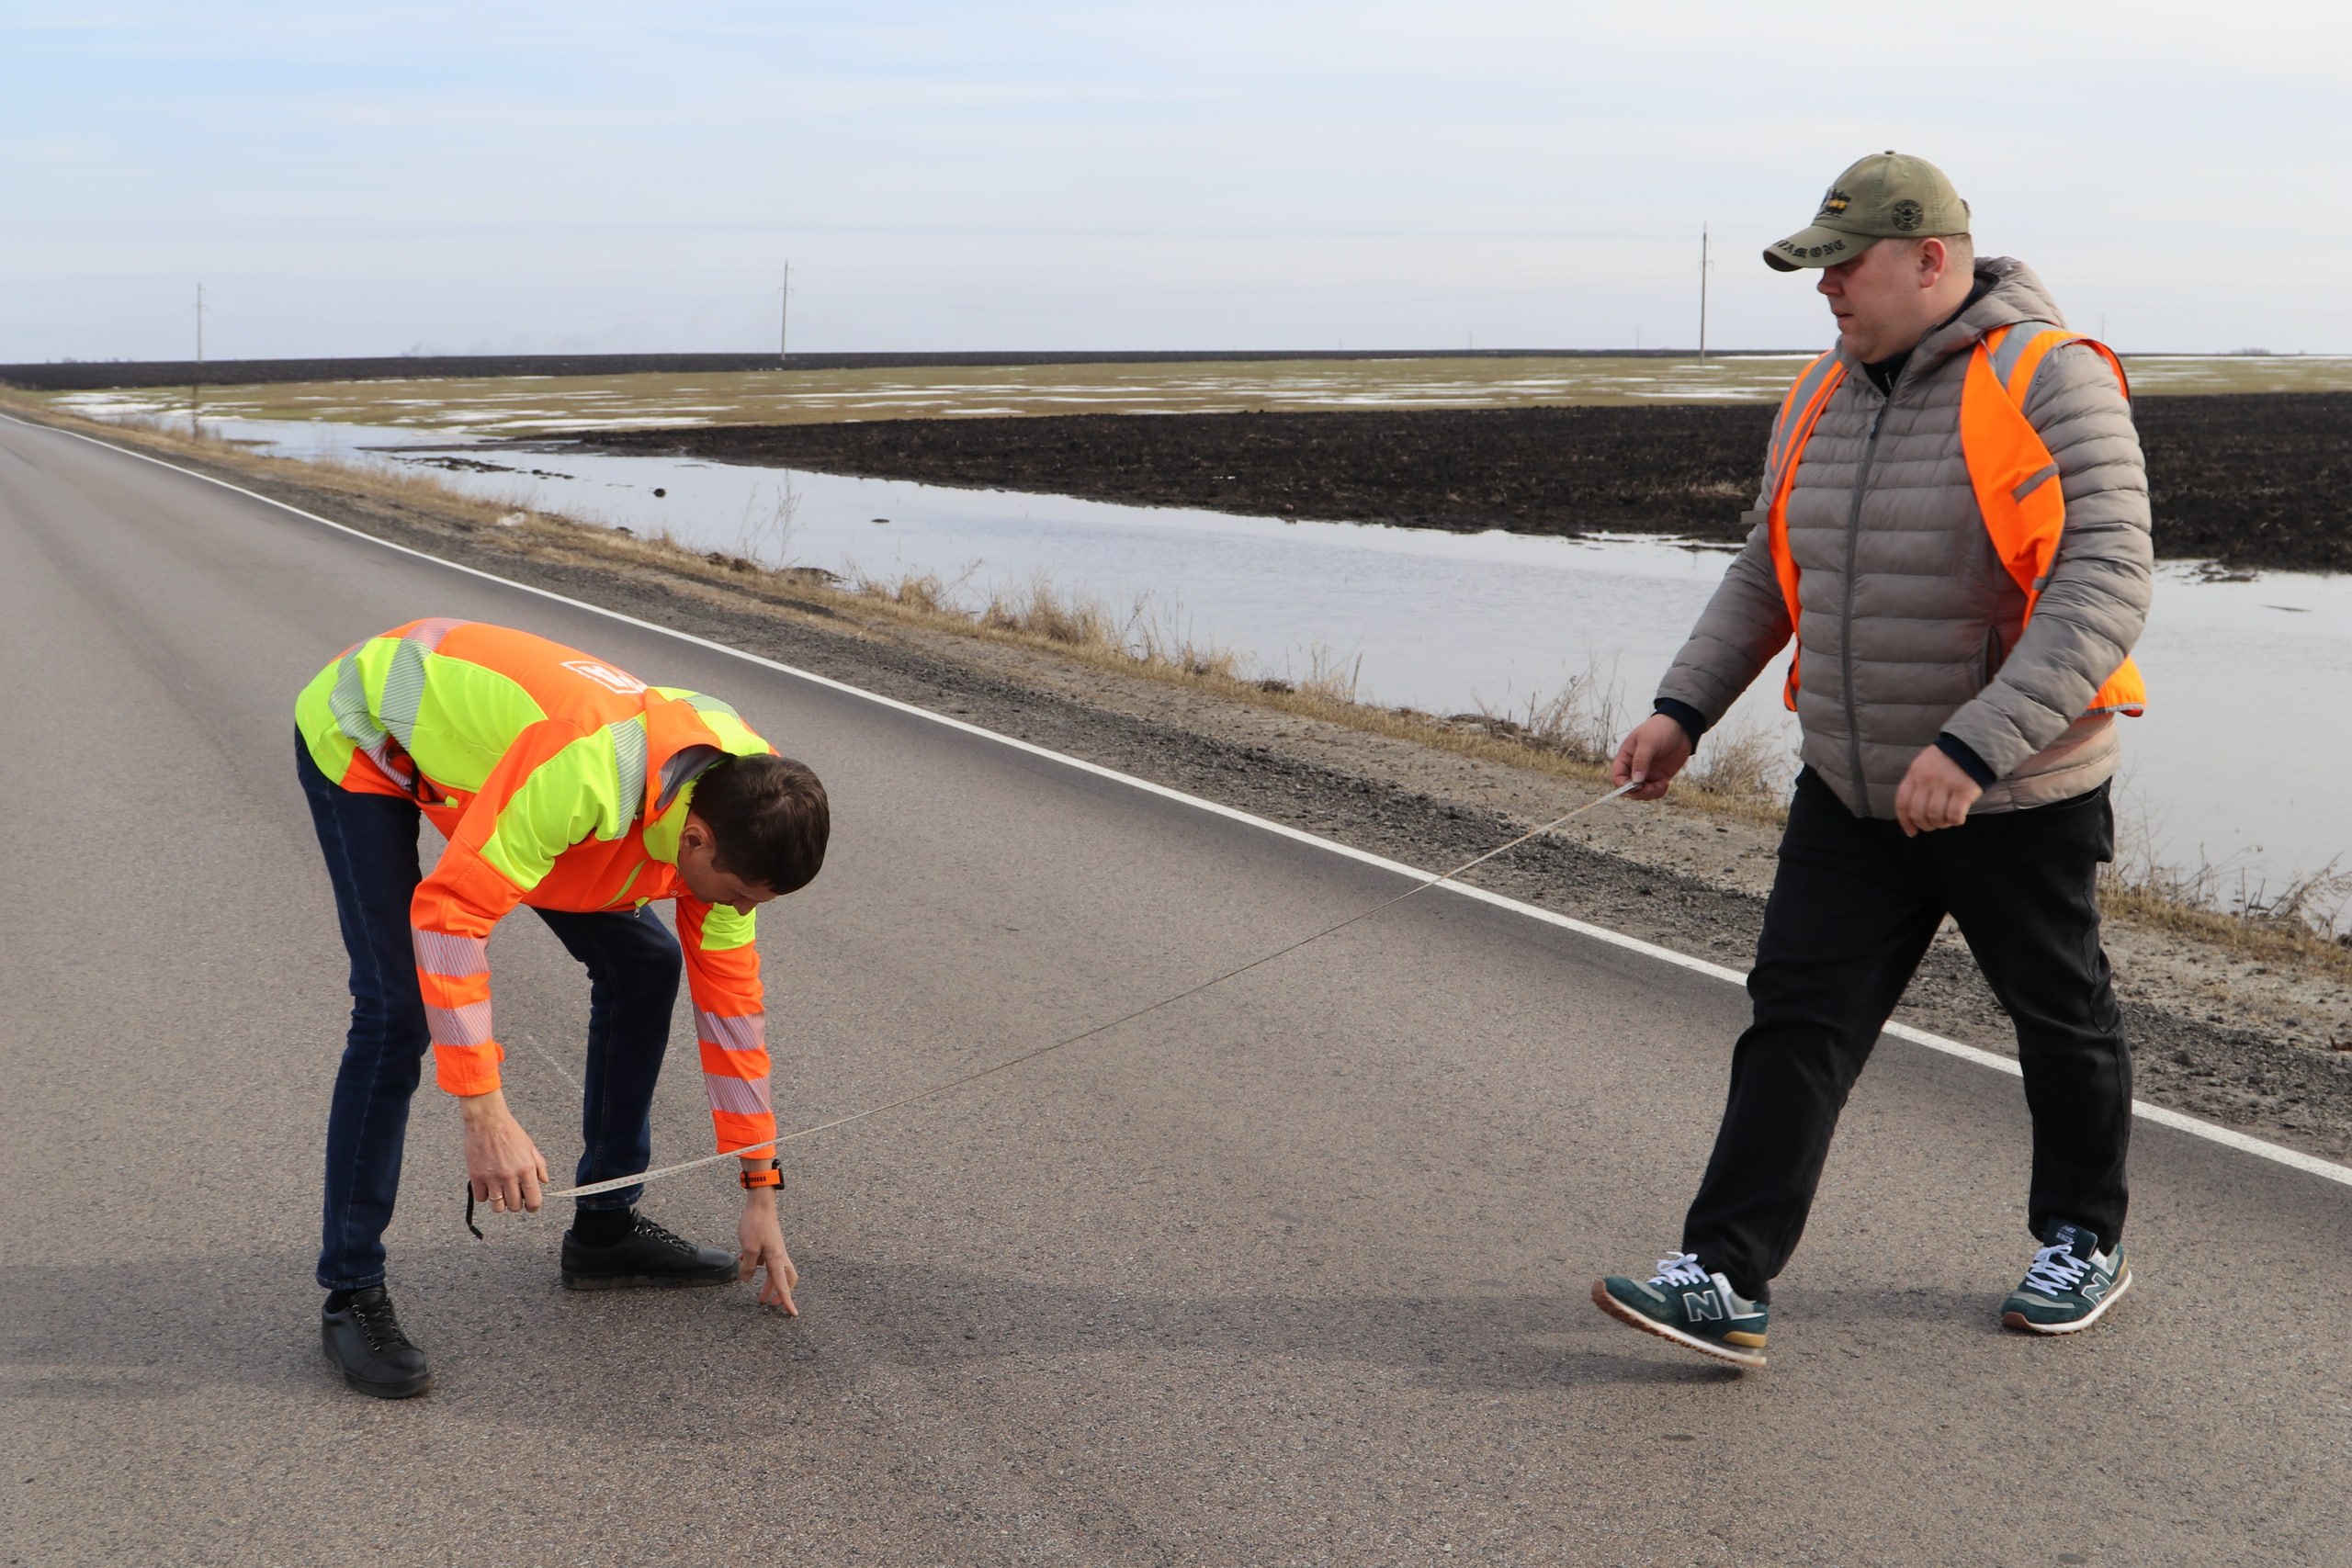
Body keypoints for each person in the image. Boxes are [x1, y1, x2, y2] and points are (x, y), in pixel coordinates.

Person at [1590, 152, 2153, 1371]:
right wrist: (1683, 708)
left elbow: (2105, 584)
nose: (1827, 288)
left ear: (1930, 259)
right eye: (1820, 267)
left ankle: (2082, 1237)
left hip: (2016, 788)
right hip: (1851, 784)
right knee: (1795, 1019)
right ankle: (1724, 1274)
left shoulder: (2050, 377)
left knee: (2058, 1017)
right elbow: (1767, 566)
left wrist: (1974, 744)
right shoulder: (1819, 393)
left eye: (1846, 265)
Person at [296, 618, 831, 1397]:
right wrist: (485, 1113)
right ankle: (350, 1289)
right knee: (395, 1013)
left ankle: (606, 1227)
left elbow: (732, 1016)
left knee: (645, 963)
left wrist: (760, 1189)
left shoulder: (748, 796)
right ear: (696, 840)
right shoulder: (585, 775)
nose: (743, 910)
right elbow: (449, 918)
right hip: (368, 730)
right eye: (741, 893)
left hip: (515, 779)